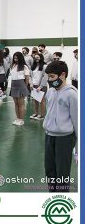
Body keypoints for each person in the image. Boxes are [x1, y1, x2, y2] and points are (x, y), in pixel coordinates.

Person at [44, 61, 77, 192]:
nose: (49, 80)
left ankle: (62, 199)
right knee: (50, 171)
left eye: (52, 77)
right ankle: (52, 196)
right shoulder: (50, 92)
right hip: (49, 136)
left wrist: (78, 149)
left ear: (62, 75)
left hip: (65, 138)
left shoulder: (72, 94)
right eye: (48, 77)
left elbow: (77, 121)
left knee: (62, 174)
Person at [10, 52, 30, 126]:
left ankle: (21, 119)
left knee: (21, 104)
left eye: (17, 58)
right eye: (14, 58)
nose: (15, 59)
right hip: (13, 85)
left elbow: (27, 78)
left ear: (20, 58)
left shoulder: (24, 67)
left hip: (21, 85)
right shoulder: (13, 65)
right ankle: (18, 118)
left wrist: (25, 86)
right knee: (16, 103)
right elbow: (12, 76)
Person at [29, 53, 48, 120]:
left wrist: (41, 86)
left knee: (42, 101)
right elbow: (30, 76)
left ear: (41, 58)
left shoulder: (45, 66)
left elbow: (45, 77)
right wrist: (31, 83)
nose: (36, 59)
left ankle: (42, 115)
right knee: (35, 100)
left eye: (38, 57)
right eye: (35, 57)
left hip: (42, 86)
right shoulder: (33, 66)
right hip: (34, 85)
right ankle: (36, 113)